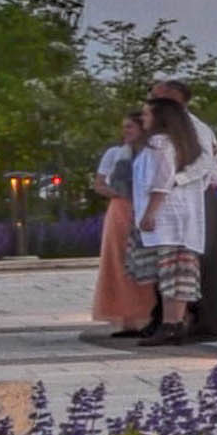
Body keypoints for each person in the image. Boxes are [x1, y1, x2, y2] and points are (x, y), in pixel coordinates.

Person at [125, 84, 217, 344]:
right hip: (175, 215)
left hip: (169, 216)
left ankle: (173, 324)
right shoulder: (170, 140)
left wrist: (150, 211)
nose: (142, 118)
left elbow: (165, 180)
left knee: (175, 270)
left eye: (147, 113)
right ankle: (170, 322)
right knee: (173, 271)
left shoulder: (163, 142)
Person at [86, 105, 151, 334]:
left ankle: (147, 314)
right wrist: (116, 192)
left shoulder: (151, 153)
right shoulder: (115, 153)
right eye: (124, 127)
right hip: (121, 208)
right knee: (119, 260)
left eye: (130, 127)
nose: (126, 131)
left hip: (145, 207)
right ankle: (125, 317)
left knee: (146, 260)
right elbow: (99, 183)